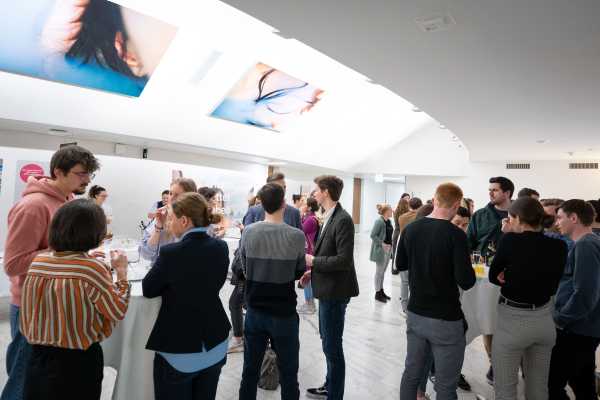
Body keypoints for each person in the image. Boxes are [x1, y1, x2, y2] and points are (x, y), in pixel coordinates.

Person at [1, 145, 99, 400]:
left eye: (89, 174)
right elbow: (13, 264)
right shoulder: (32, 206)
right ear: (58, 171)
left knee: (39, 381)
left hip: (51, 304)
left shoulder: (67, 201)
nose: (87, 180)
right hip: (30, 305)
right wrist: (65, 253)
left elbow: (57, 251)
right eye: (81, 173)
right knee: (21, 381)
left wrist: (80, 255)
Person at [19, 199, 129, 400]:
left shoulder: (39, 261)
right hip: (77, 361)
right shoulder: (91, 269)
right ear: (95, 232)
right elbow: (117, 309)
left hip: (37, 355)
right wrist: (121, 273)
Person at [142, 193, 230, 400]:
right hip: (215, 341)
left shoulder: (172, 253)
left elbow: (149, 289)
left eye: (171, 218)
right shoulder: (221, 246)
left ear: (184, 221)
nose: (169, 223)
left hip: (180, 350)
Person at [398, 183, 476, 400]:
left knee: (411, 374)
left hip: (416, 312)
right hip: (446, 317)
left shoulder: (411, 228)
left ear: (435, 199)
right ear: (456, 205)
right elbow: (467, 281)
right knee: (445, 385)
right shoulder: (456, 235)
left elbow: (401, 264)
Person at [488, 197, 567, 400]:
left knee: (505, 389)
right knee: (538, 388)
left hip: (513, 321)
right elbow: (552, 283)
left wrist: (509, 277)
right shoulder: (559, 247)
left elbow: (492, 275)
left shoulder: (510, 240)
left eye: (510, 218)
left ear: (517, 218)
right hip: (544, 321)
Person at [238, 183, 306, 400]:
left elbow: (244, 269)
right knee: (289, 374)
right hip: (284, 313)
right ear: (284, 204)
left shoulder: (248, 232)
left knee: (249, 372)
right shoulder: (296, 236)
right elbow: (298, 271)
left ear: (261, 204)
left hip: (255, 311)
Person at [304, 175, 359, 400]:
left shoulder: (343, 219)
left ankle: (335, 394)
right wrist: (312, 272)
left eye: (316, 189)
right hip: (327, 288)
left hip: (336, 292)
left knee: (333, 347)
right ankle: (330, 384)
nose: (313, 193)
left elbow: (343, 260)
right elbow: (330, 254)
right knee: (328, 342)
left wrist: (313, 262)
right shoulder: (329, 216)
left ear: (326, 192)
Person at [549, 200, 600, 399]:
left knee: (552, 384)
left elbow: (585, 292)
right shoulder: (588, 243)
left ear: (574, 218)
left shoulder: (586, 245)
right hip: (582, 328)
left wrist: (560, 319)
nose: (556, 222)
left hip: (576, 330)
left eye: (560, 217)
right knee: (582, 383)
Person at [466, 176, 514, 385]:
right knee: (489, 323)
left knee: (510, 323)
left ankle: (512, 364)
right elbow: (469, 244)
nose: (490, 193)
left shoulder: (519, 215)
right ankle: (495, 364)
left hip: (514, 277)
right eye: (490, 189)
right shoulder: (480, 215)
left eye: (495, 190)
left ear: (507, 193)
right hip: (484, 278)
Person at [139, 178, 197, 263]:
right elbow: (145, 253)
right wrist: (158, 227)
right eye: (170, 193)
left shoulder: (196, 223)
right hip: (160, 270)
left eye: (177, 195)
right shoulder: (162, 216)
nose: (171, 198)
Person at [396, 197, 423, 313]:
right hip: (416, 252)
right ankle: (413, 305)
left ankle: (403, 306)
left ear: (409, 206)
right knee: (414, 281)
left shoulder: (401, 217)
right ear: (420, 206)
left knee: (404, 282)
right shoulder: (420, 218)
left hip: (403, 249)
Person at [298, 196, 320, 314]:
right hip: (310, 250)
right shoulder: (311, 218)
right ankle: (309, 303)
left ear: (309, 207)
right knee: (308, 278)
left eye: (305, 204)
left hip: (310, 252)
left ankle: (310, 305)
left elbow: (300, 231)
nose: (303, 205)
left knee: (307, 278)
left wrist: (300, 214)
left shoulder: (311, 219)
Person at [370, 204, 394, 303]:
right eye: (390, 210)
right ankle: (377, 293)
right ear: (386, 211)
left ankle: (381, 291)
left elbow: (388, 235)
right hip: (381, 250)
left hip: (388, 249)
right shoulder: (379, 222)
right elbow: (373, 235)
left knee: (383, 272)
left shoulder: (389, 221)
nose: (392, 211)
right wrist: (382, 244)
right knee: (379, 272)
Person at [391, 198, 410, 270]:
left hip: (396, 233)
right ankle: (402, 268)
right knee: (403, 251)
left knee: (395, 251)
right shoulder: (407, 213)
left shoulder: (395, 212)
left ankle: (394, 270)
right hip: (403, 232)